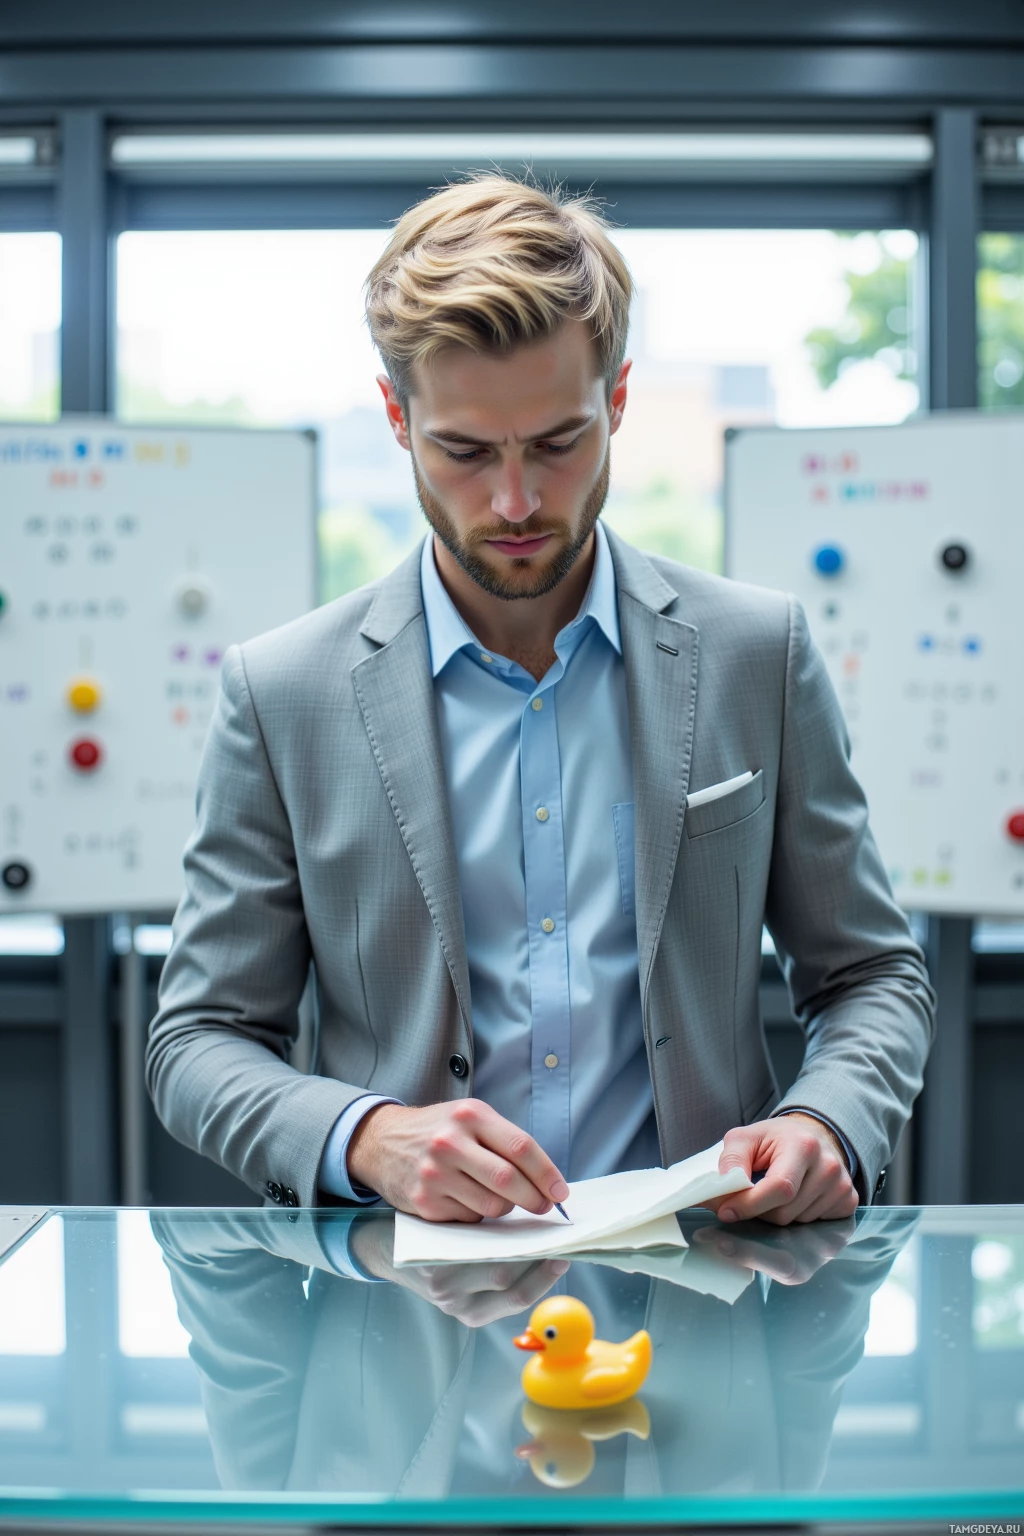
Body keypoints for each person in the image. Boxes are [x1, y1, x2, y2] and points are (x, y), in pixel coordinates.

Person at [146, 173, 935, 1227]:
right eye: (465, 452)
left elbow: (872, 974)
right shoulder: (280, 693)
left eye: (558, 443)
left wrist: (828, 1122)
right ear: (396, 416)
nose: (514, 502)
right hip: (401, 1339)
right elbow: (196, 1042)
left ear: (615, 400)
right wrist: (366, 1138)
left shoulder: (757, 652)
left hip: (707, 1301)